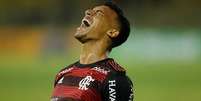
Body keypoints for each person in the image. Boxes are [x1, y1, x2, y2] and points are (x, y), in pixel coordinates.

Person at [51, 2, 134, 101]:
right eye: (91, 10)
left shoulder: (114, 79)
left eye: (99, 13)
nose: (88, 12)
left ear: (112, 32)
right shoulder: (63, 73)